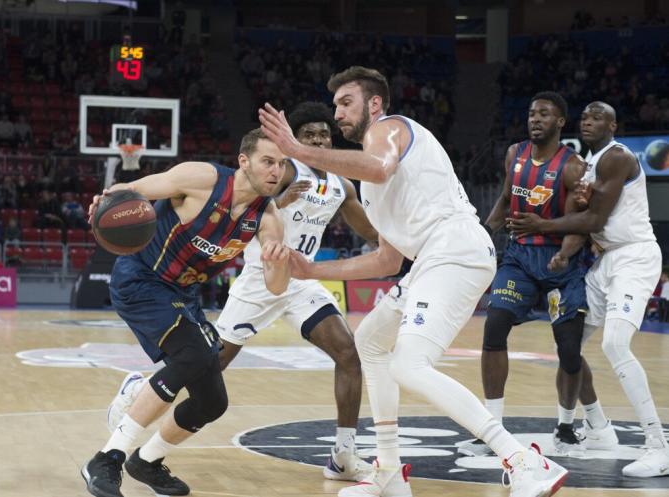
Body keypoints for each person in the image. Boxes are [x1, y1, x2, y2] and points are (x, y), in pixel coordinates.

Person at [260, 66, 568, 497]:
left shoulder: (388, 130)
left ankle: (521, 459)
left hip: (454, 249)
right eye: (334, 107)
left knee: (408, 364)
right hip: (431, 259)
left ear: (374, 104)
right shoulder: (369, 186)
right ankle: (386, 470)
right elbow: (388, 259)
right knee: (369, 341)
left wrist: (298, 150)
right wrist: (314, 271)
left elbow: (380, 167)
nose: (338, 114)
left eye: (345, 103)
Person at [105, 101, 379, 482]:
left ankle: (343, 455)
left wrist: (406, 241)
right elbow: (252, 196)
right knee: (207, 366)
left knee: (348, 352)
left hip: (300, 280)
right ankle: (141, 388)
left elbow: (371, 233)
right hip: (258, 278)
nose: (319, 139)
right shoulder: (281, 169)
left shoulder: (340, 185)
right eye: (309, 135)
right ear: (294, 143)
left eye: (323, 134)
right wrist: (281, 199)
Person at [81, 129, 291, 497]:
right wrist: (107, 200)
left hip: (184, 294)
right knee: (192, 354)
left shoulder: (268, 215)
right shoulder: (203, 179)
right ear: (244, 161)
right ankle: (107, 457)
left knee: (213, 401)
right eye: (268, 161)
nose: (277, 171)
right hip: (142, 279)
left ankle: (146, 460)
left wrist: (278, 263)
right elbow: (137, 190)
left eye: (283, 164)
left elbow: (276, 286)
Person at [507, 101, 669, 478]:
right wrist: (568, 242)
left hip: (634, 256)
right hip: (606, 258)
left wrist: (538, 225)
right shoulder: (593, 164)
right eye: (585, 117)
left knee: (615, 344)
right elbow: (588, 216)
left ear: (614, 124)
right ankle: (596, 427)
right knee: (569, 345)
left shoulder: (616, 158)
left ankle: (658, 446)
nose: (589, 122)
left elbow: (594, 218)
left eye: (598, 118)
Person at [459, 92, 616, 459]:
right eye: (531, 113)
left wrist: (564, 254)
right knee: (494, 328)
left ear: (560, 122)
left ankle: (565, 427)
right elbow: (504, 198)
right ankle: (491, 427)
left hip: (560, 263)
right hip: (519, 257)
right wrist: (483, 231)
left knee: (568, 350)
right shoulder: (514, 154)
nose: (535, 119)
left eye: (544, 114)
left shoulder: (574, 167)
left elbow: (584, 221)